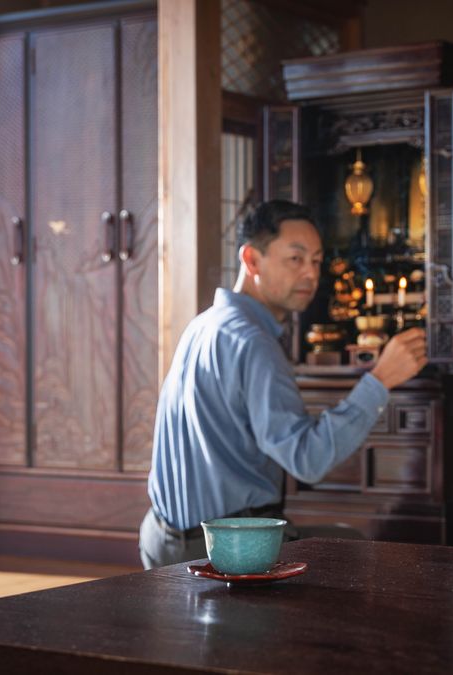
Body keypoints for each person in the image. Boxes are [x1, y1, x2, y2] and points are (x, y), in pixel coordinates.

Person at [141, 200, 427, 569]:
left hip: (158, 539)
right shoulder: (254, 342)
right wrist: (381, 378)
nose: (311, 273)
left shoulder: (205, 324)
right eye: (295, 258)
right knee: (359, 556)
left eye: (317, 260)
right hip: (223, 547)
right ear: (252, 260)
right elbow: (307, 460)